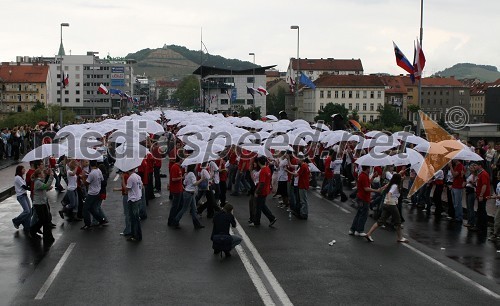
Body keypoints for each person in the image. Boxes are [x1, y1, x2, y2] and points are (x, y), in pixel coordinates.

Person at [365, 173, 409, 243]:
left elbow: (385, 188)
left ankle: (369, 234)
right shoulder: (395, 186)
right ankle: (400, 238)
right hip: (391, 204)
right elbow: (389, 193)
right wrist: (389, 199)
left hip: (386, 204)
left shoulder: (391, 184)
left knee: (381, 221)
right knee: (398, 221)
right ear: (398, 179)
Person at [350, 165, 381, 236]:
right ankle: (359, 230)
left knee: (359, 213)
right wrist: (376, 190)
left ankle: (353, 229)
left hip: (361, 197)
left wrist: (373, 176)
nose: (370, 169)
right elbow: (366, 188)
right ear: (367, 168)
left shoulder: (363, 175)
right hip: (364, 198)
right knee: (363, 214)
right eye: (369, 168)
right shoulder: (363, 176)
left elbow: (368, 183)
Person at [172, 164, 204, 229]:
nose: (197, 166)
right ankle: (175, 221)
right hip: (189, 194)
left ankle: (196, 224)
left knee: (194, 209)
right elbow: (195, 183)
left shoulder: (187, 173)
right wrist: (202, 179)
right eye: (196, 165)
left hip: (189, 193)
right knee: (185, 209)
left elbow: (184, 182)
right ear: (193, 166)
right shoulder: (191, 174)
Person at [29, 169, 55, 244]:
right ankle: (33, 231)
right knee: (43, 220)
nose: (43, 174)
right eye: (42, 173)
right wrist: (51, 177)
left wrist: (47, 188)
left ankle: (47, 237)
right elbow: (46, 186)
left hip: (42, 203)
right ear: (39, 175)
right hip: (38, 204)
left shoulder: (40, 181)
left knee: (46, 220)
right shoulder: (37, 182)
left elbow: (44, 188)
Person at [250, 156, 277, 227]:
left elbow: (261, 183)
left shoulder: (263, 171)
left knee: (259, 207)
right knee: (261, 206)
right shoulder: (268, 169)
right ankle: (270, 218)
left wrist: (256, 192)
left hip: (262, 191)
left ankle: (260, 221)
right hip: (266, 190)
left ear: (259, 162)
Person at [81, 160, 107, 230]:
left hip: (92, 193)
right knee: (92, 208)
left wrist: (83, 176)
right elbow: (101, 179)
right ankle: (101, 220)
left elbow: (85, 183)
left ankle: (87, 224)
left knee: (85, 209)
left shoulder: (92, 174)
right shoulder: (98, 171)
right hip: (98, 191)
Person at [472, 162, 490, 232]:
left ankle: (482, 227)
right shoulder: (480, 174)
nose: (474, 166)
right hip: (479, 194)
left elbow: (484, 185)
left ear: (480, 166)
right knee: (480, 210)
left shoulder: (484, 174)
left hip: (483, 196)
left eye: (475, 165)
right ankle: (480, 226)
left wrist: (481, 195)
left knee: (482, 211)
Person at [12, 165, 31, 231]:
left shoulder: (21, 177)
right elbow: (24, 186)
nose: (24, 170)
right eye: (23, 169)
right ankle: (16, 220)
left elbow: (26, 185)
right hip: (21, 196)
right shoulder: (17, 178)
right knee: (27, 211)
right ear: (20, 170)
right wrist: (32, 189)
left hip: (24, 195)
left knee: (29, 211)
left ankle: (27, 226)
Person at [126, 168, 143, 242]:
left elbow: (127, 189)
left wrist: (122, 181)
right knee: (136, 219)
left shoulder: (130, 178)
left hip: (133, 200)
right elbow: (142, 186)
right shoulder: (137, 176)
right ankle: (138, 235)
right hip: (138, 198)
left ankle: (135, 236)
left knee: (134, 219)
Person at [167, 156, 183, 227]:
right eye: (183, 158)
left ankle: (174, 219)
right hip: (176, 190)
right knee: (175, 206)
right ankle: (171, 221)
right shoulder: (175, 167)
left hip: (179, 189)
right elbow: (173, 179)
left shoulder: (179, 167)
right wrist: (182, 177)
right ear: (180, 159)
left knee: (180, 205)